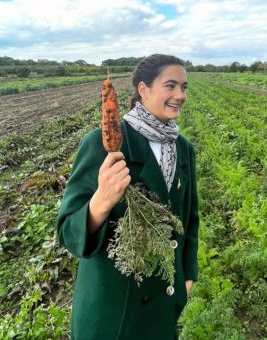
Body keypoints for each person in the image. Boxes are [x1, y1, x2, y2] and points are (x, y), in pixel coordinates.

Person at [56, 54, 199, 340]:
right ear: (143, 89)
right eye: (170, 86)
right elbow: (68, 233)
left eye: (184, 87)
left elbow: (190, 218)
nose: (180, 95)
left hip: (162, 304)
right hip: (114, 313)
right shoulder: (100, 144)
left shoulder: (183, 149)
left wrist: (188, 277)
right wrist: (101, 201)